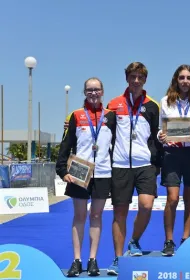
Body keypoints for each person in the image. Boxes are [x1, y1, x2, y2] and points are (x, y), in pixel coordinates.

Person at [106, 62, 163, 275]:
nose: (136, 81)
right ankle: (118, 259)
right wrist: (70, 124)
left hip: (145, 164)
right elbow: (103, 130)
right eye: (133, 76)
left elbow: (158, 135)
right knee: (119, 212)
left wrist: (159, 162)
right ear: (127, 78)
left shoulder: (152, 105)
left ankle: (134, 241)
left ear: (145, 79)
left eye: (140, 77)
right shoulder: (114, 104)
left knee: (147, 206)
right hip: (120, 164)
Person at [56, 77, 116, 277]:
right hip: (80, 172)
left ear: (102, 92)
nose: (93, 93)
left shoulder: (111, 116)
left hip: (103, 172)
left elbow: (117, 145)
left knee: (97, 216)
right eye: (89, 90)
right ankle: (76, 260)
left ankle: (92, 260)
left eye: (97, 89)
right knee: (80, 216)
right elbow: (66, 144)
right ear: (84, 92)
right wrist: (63, 170)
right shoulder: (75, 115)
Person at [157, 64, 190, 256]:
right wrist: (161, 135)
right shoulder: (166, 101)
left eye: (189, 78)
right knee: (173, 198)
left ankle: (185, 239)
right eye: (182, 77)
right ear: (176, 79)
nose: (185, 81)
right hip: (172, 155)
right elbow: (162, 128)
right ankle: (169, 240)